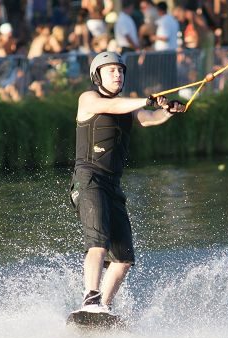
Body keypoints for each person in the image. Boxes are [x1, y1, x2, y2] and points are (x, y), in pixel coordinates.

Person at [69, 52, 186, 316]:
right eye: (110, 71)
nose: (117, 75)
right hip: (89, 179)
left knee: (123, 260)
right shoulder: (88, 99)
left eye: (120, 71)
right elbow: (113, 107)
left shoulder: (128, 109)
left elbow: (147, 118)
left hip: (112, 184)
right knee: (97, 242)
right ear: (97, 75)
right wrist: (145, 99)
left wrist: (166, 111)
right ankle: (90, 299)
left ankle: (104, 309)